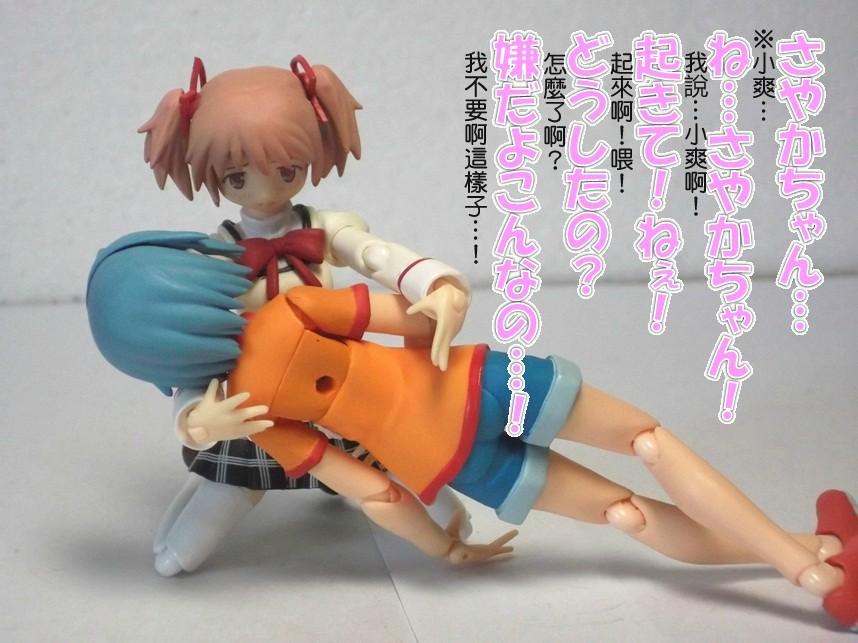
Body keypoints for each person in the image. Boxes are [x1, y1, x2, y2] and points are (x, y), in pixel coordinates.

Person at [130, 55, 473, 575]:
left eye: (286, 171)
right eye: (237, 177)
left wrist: (434, 283)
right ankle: (191, 529)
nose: (266, 192)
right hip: (256, 391)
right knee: (233, 483)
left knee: (386, 452)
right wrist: (196, 418)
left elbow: (374, 254)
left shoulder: (322, 226)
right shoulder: (215, 253)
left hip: (334, 376)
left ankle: (443, 524)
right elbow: (192, 338)